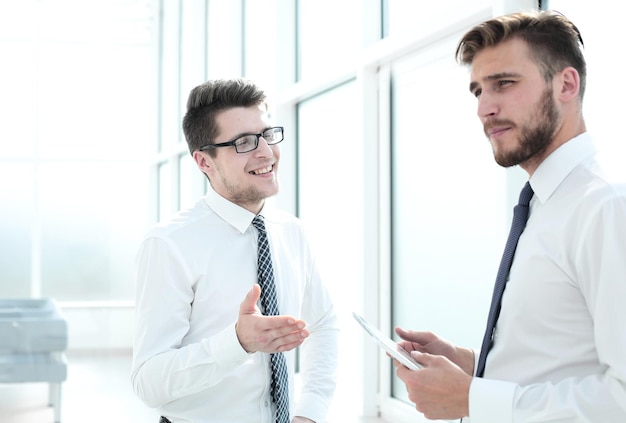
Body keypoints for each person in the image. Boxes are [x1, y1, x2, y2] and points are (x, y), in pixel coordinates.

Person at [393, 10, 626, 422]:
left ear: (566, 84)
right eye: (477, 91)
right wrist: (471, 365)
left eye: (504, 84)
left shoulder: (606, 207)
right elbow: (560, 356)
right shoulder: (542, 204)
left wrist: (472, 400)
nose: (484, 108)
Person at [131, 78, 339, 423]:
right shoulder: (169, 245)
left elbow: (325, 323)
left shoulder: (292, 231)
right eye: (243, 142)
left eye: (267, 135)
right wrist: (238, 342)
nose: (266, 152)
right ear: (204, 161)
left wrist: (311, 410)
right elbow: (148, 382)